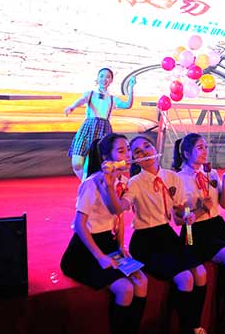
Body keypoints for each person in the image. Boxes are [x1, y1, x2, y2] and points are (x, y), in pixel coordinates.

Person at [60, 133, 147, 334]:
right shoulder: (92, 183)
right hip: (85, 250)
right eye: (121, 151)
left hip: (109, 243)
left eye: (128, 150)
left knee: (142, 281)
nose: (129, 155)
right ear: (107, 158)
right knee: (125, 289)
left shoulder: (123, 181)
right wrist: (100, 257)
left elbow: (119, 215)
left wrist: (121, 245)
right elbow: (79, 225)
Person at [172, 133, 225, 334]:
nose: (205, 151)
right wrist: (199, 209)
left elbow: (224, 204)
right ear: (186, 153)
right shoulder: (178, 179)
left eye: (205, 147)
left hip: (217, 224)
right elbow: (178, 219)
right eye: (200, 147)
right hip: (194, 230)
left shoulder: (210, 174)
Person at [125, 135, 208, 334]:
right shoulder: (134, 183)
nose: (144, 152)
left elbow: (179, 209)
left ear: (155, 149)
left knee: (201, 272)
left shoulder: (172, 177)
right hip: (145, 241)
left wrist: (188, 214)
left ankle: (195, 325)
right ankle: (188, 329)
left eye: (147, 146)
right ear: (134, 159)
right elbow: (122, 205)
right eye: (138, 152)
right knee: (185, 277)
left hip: (167, 235)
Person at [65, 68, 136, 180]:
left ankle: (93, 184)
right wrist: (72, 106)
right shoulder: (90, 94)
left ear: (111, 80)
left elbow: (127, 105)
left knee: (98, 162)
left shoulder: (112, 99)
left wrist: (131, 88)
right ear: (97, 78)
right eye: (102, 76)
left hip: (104, 129)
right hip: (88, 128)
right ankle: (87, 183)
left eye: (108, 77)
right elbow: (82, 100)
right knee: (77, 163)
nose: (104, 79)